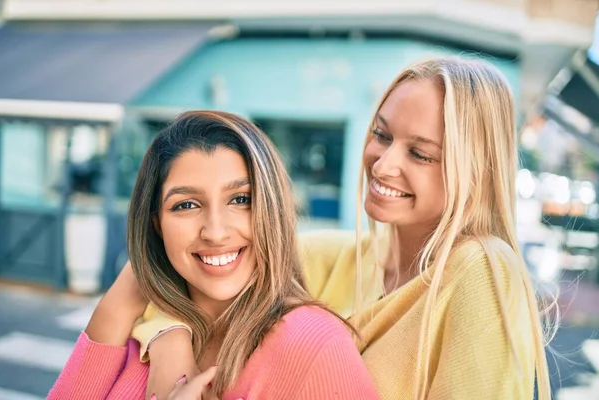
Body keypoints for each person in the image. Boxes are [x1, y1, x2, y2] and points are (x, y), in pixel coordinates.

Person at [137, 57, 557, 400]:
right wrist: (171, 344)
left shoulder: (482, 271)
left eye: (421, 154)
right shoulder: (332, 256)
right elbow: (172, 267)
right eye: (381, 135)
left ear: (476, 170)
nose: (384, 163)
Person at [48, 111, 379, 400]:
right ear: (157, 223)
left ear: (273, 209)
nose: (216, 232)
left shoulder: (313, 344)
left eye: (240, 199)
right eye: (186, 205)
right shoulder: (138, 328)